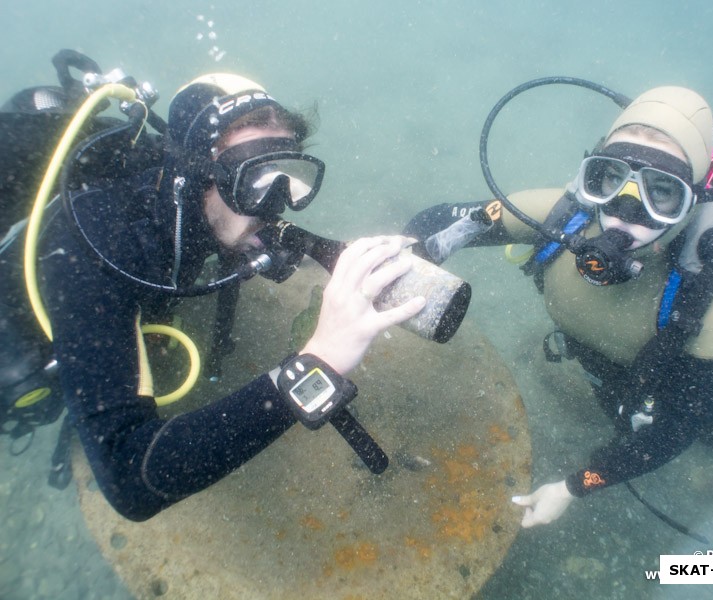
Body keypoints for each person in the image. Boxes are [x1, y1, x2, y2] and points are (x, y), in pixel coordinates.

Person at [5, 68, 426, 521]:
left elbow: (265, 233)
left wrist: (361, 258)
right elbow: (130, 480)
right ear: (197, 174)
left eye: (288, 174)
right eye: (255, 179)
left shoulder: (191, 200)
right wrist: (319, 362)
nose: (277, 201)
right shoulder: (97, 245)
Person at [404, 86, 713, 528]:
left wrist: (577, 484)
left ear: (694, 199)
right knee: (621, 423)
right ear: (593, 172)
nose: (626, 210)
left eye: (662, 190)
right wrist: (407, 249)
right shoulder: (559, 215)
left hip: (675, 380)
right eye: (613, 178)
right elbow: (447, 221)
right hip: (600, 365)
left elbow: (681, 428)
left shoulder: (708, 295)